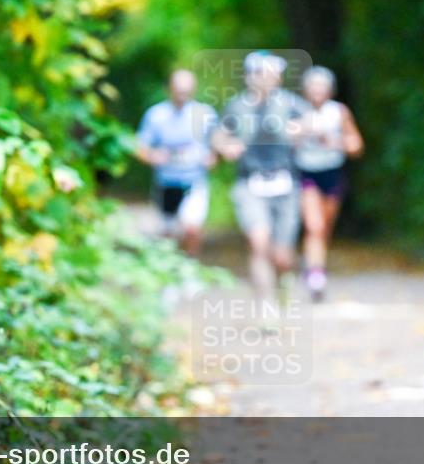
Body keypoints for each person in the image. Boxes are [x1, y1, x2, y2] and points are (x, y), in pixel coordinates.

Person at [212, 51, 308, 303]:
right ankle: (266, 306)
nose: (267, 79)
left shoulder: (290, 104)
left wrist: (300, 131)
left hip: (286, 183)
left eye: (272, 74)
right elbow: (219, 136)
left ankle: (284, 285)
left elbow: (313, 123)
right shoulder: (236, 106)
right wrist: (226, 147)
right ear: (249, 76)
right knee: (258, 243)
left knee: (282, 255)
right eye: (260, 73)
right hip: (249, 182)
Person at [293, 66, 364, 301]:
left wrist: (336, 141)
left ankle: (312, 263)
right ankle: (316, 274)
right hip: (306, 173)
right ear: (305, 90)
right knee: (314, 226)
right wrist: (301, 132)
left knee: (324, 228)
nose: (317, 91)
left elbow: (356, 145)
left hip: (332, 173)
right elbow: (283, 140)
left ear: (329, 90)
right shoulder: (297, 111)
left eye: (321, 86)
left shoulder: (339, 112)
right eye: (312, 86)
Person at [136, 69, 217, 256]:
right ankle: (171, 274)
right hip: (166, 183)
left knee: (191, 228)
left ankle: (190, 268)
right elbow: (140, 147)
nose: (182, 95)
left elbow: (218, 143)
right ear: (169, 89)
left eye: (186, 91)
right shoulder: (155, 115)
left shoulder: (205, 114)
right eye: (179, 90)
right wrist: (153, 156)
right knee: (168, 233)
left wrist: (213, 157)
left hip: (194, 181)